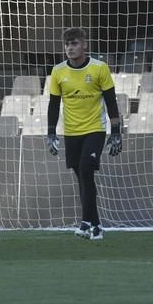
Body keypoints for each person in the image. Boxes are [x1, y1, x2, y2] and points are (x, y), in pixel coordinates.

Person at [46, 27, 122, 240]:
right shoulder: (58, 71)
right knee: (83, 179)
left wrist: (116, 132)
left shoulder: (99, 68)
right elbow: (53, 105)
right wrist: (51, 133)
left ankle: (85, 222)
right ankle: (96, 225)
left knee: (86, 169)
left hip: (95, 130)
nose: (70, 48)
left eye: (75, 43)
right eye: (67, 44)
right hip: (71, 132)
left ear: (84, 45)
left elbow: (111, 101)